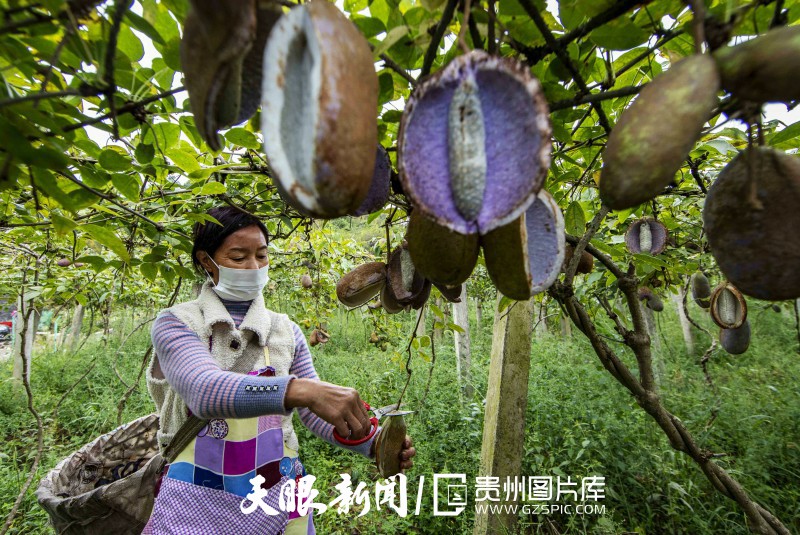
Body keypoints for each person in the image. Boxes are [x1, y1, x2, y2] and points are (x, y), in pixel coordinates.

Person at [143, 206, 415, 534]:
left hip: (282, 495)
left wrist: (368, 440)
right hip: (198, 500)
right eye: (239, 257)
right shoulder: (177, 322)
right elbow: (205, 391)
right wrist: (302, 391)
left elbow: (313, 415)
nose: (254, 266)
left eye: (261, 255)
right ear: (206, 261)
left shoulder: (285, 330)